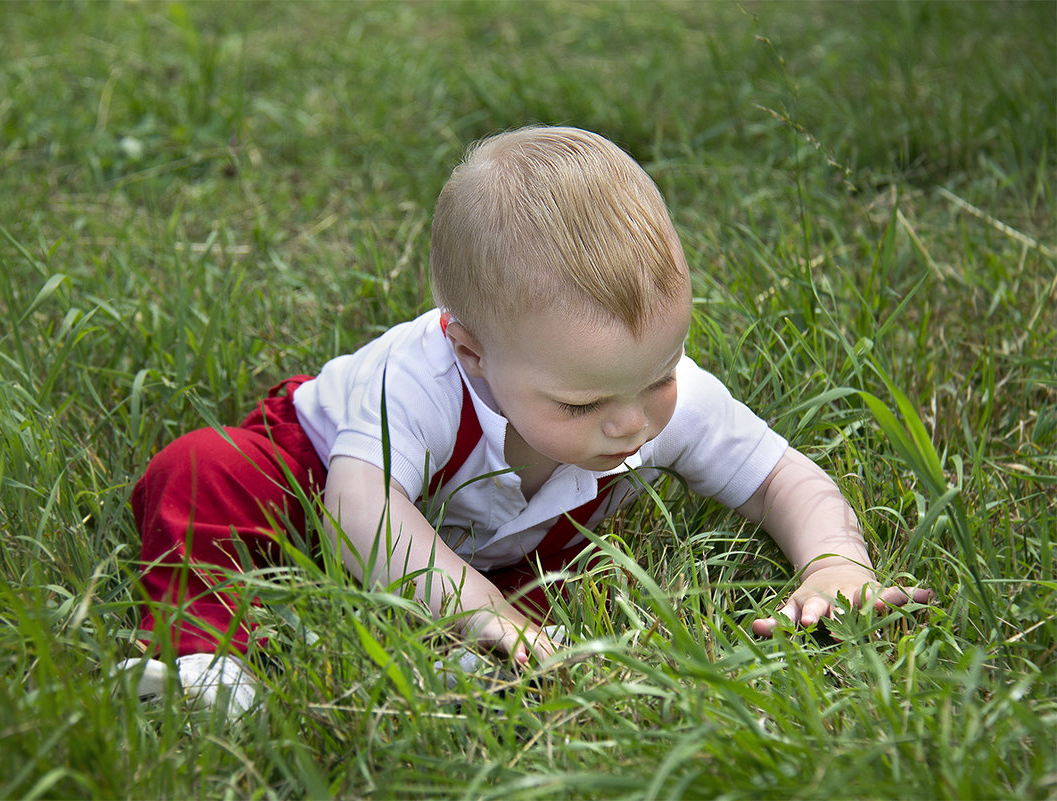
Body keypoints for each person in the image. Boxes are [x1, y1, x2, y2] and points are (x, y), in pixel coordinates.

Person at [118, 126, 931, 718]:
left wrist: (835, 564)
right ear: (471, 351)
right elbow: (358, 511)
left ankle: (464, 662)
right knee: (203, 469)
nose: (631, 424)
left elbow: (785, 477)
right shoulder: (419, 379)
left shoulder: (650, 393)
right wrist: (486, 610)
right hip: (317, 483)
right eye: (581, 405)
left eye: (656, 377)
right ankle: (208, 660)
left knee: (565, 598)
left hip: (492, 549)